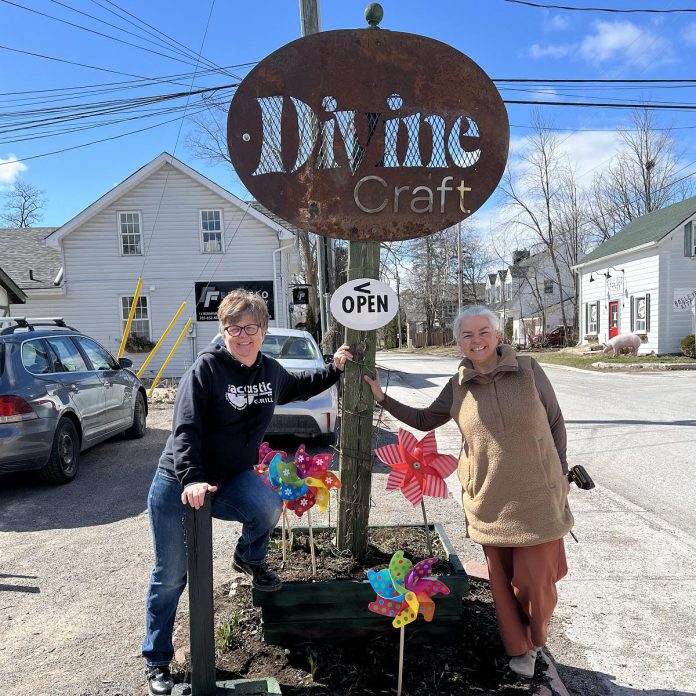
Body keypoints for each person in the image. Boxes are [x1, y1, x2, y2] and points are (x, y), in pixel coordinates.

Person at [142, 289, 352, 696]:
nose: (242, 335)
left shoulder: (270, 371)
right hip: (178, 480)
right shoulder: (204, 371)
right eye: (233, 328)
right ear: (223, 332)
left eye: (250, 327)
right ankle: (157, 660)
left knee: (268, 505)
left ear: (263, 330)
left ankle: (249, 558)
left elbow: (300, 385)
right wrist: (190, 478)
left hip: (232, 476)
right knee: (171, 575)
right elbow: (185, 428)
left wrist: (335, 368)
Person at [363, 306, 573, 680]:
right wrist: (382, 397)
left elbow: (555, 421)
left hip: (539, 495)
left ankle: (537, 636)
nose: (476, 341)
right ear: (458, 342)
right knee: (502, 584)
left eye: (483, 332)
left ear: (498, 335)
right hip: (488, 498)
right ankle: (520, 650)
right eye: (467, 335)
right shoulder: (458, 385)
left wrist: (561, 473)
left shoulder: (529, 371)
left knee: (535, 582)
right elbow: (425, 420)